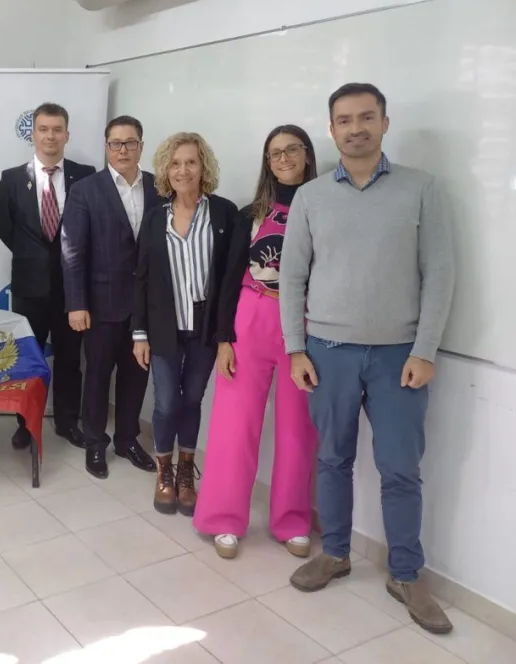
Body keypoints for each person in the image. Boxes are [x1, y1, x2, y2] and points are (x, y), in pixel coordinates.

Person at [280, 83, 455, 634]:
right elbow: (292, 278)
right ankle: (335, 553)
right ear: (331, 130)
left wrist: (425, 350)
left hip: (399, 356)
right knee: (332, 459)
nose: (355, 128)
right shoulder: (310, 196)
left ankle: (405, 572)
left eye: (366, 117)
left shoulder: (421, 189)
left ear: (384, 122)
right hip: (327, 353)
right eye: (344, 120)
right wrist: (295, 348)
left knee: (401, 469)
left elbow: (440, 275)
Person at [193, 126, 318, 556]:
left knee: (298, 429)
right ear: (267, 161)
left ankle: (292, 521)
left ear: (307, 154)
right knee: (233, 425)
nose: (283, 158)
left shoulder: (324, 207)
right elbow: (227, 280)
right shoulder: (251, 213)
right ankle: (224, 518)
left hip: (303, 325)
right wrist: (224, 338)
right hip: (252, 316)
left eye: (291, 150)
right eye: (274, 153)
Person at [131, 132, 238, 515]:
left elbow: (230, 279)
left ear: (203, 166)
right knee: (165, 403)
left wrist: (227, 334)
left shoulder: (225, 214)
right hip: (163, 326)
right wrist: (138, 332)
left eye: (190, 162)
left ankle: (187, 473)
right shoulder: (155, 216)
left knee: (192, 399)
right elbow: (140, 277)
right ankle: (164, 472)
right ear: (166, 170)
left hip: (205, 328)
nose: (183, 170)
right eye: (175, 163)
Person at [62, 115, 160, 479]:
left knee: (137, 377)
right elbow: (72, 253)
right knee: (98, 377)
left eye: (130, 142)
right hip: (100, 306)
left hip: (145, 308)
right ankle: (94, 443)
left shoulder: (158, 188)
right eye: (116, 143)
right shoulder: (86, 190)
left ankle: (127, 440)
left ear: (141, 146)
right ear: (106, 146)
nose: (123, 149)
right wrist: (76, 303)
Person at [0, 102, 93, 451]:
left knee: (69, 360)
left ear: (67, 134)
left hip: (73, 290)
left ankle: (67, 422)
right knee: (30, 360)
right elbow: (5, 228)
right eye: (43, 129)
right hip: (29, 287)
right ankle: (26, 423)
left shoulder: (86, 175)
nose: (50, 136)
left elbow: (90, 228)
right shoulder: (11, 178)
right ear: (33, 133)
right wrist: (32, 257)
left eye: (57, 129)